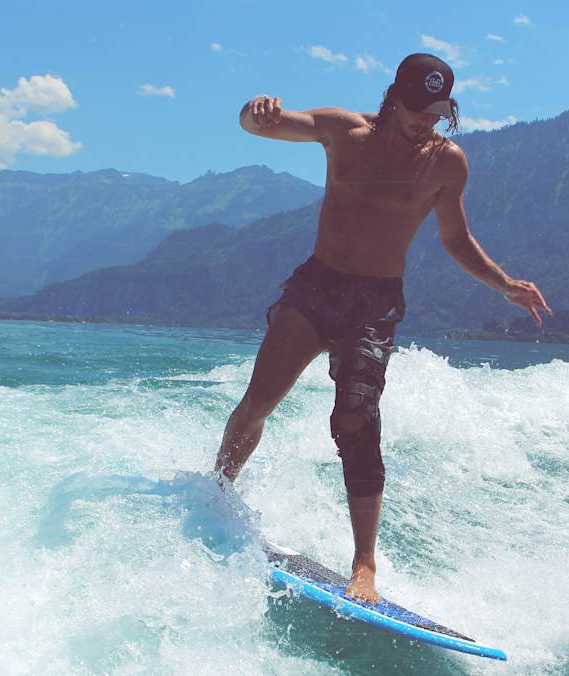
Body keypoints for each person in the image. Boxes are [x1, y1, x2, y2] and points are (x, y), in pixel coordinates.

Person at [213, 53, 551, 603]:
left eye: (439, 112)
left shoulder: (447, 163)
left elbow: (455, 239)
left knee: (357, 420)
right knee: (259, 401)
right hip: (315, 287)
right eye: (419, 109)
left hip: (373, 304)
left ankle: (365, 564)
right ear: (394, 96)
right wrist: (255, 111)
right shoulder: (343, 131)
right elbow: (261, 125)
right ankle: (218, 493)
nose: (428, 121)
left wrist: (504, 284)